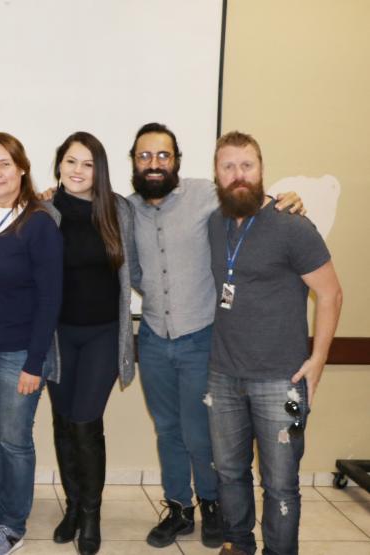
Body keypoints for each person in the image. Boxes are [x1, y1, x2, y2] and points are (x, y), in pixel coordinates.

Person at [126, 123, 304, 549]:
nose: (154, 163)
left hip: (200, 338)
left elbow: (252, 198)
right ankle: (178, 508)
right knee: (167, 430)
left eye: (163, 155)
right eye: (145, 156)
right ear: (134, 162)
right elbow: (130, 267)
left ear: (177, 160)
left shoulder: (206, 195)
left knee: (199, 432)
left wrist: (290, 199)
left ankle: (211, 505)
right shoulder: (126, 209)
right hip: (152, 336)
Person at [205, 131, 342, 555]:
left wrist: (318, 360)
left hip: (281, 381)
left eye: (247, 165)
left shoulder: (292, 225)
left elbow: (331, 294)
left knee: (281, 485)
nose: (238, 175)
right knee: (229, 473)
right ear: (216, 174)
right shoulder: (214, 224)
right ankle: (238, 545)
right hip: (223, 375)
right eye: (228, 166)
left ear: (262, 170)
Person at [0, 132, 63, 555]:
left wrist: (35, 362)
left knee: (14, 442)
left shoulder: (39, 224)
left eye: (5, 163)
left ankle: (13, 524)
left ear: (21, 168)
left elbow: (51, 298)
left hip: (19, 354)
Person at [45, 132, 138, 555]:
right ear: (59, 165)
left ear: (99, 170)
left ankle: (91, 515)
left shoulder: (119, 210)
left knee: (85, 422)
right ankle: (72, 506)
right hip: (59, 337)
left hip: (103, 334)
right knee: (63, 422)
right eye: (71, 161)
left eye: (87, 163)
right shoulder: (44, 211)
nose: (78, 170)